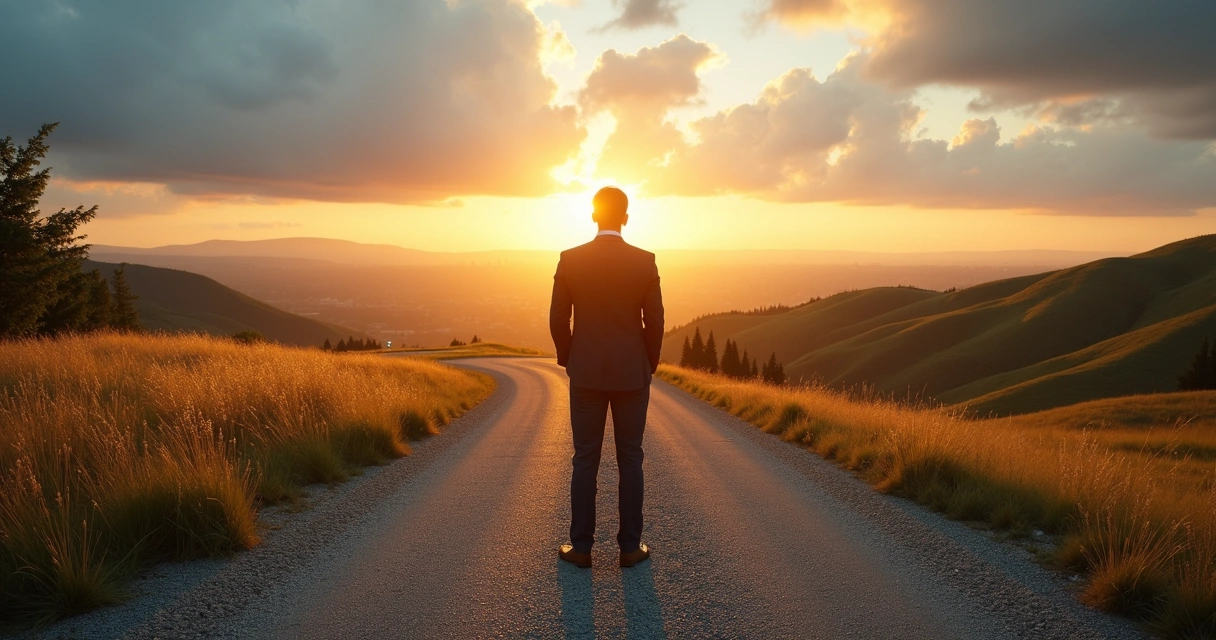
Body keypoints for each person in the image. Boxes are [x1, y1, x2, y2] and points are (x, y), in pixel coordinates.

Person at [549, 186, 664, 569]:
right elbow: (656, 321)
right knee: (631, 458)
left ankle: (581, 548)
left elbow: (557, 319)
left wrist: (570, 359)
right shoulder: (645, 261)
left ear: (593, 215)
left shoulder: (570, 259)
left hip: (586, 373)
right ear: (626, 218)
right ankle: (630, 548)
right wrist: (649, 363)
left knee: (585, 459)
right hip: (633, 373)